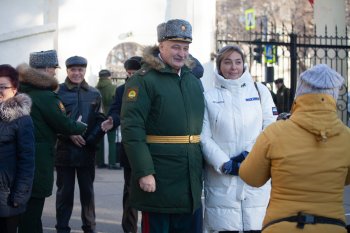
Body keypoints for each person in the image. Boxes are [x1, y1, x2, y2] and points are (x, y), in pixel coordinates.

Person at [239, 64, 350, 233]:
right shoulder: (346, 137)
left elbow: (250, 177)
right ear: (334, 96)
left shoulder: (275, 133)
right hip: (332, 226)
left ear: (299, 94)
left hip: (280, 226)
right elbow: (345, 179)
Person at [120, 19, 204, 233]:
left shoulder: (192, 81)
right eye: (175, 47)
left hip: (190, 179)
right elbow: (132, 129)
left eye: (185, 48)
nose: (181, 53)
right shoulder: (143, 80)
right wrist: (145, 171)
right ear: (161, 46)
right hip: (159, 176)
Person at [200, 45, 277, 233]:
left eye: (238, 62)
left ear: (244, 65)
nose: (233, 67)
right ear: (219, 66)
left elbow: (270, 128)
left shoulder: (260, 92)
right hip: (221, 180)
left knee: (256, 226)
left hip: (255, 175)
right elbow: (204, 136)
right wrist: (226, 163)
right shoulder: (208, 97)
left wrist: (249, 156)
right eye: (227, 62)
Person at [17, 50, 87, 233]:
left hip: (21, 155)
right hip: (38, 159)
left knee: (25, 209)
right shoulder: (45, 96)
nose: (55, 73)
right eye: (53, 69)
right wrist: (79, 126)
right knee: (33, 208)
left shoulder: (22, 90)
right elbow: (63, 124)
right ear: (46, 69)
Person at [55, 56, 103, 233]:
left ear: (84, 71)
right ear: (67, 71)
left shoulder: (95, 93)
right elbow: (53, 121)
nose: (77, 73)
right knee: (64, 194)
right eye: (73, 70)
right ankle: (62, 228)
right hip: (64, 152)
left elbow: (100, 121)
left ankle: (89, 228)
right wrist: (69, 134)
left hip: (87, 152)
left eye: (80, 70)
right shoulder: (57, 92)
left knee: (88, 194)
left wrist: (89, 140)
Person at [105, 56, 142, 233]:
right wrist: (113, 119)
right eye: (129, 73)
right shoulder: (121, 90)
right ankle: (129, 228)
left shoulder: (151, 86)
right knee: (130, 191)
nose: (132, 76)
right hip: (129, 147)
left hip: (151, 147)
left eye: (135, 73)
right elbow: (115, 109)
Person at [0, 64, 35, 233]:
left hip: (7, 196)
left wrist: (20, 195)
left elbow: (27, 160)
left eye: (3, 87)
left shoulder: (22, 120)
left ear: (14, 89)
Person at [95, 69, 119, 169]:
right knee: (112, 141)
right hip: (110, 116)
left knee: (99, 139)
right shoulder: (113, 88)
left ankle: (100, 162)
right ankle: (112, 163)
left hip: (98, 116)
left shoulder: (95, 88)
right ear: (109, 77)